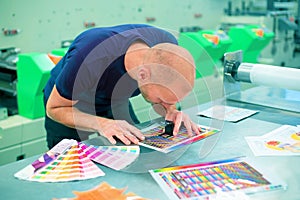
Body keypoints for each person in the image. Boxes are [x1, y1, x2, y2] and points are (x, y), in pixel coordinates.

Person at [43, 24, 201, 149]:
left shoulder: (166, 46)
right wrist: (102, 124)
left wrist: (172, 110)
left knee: (136, 144)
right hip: (68, 103)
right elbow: (54, 109)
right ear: (143, 75)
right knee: (69, 161)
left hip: (115, 98)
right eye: (162, 99)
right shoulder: (89, 57)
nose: (165, 104)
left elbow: (167, 89)